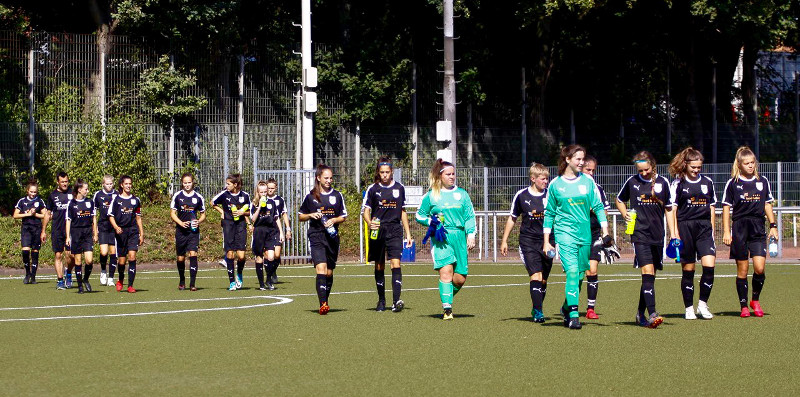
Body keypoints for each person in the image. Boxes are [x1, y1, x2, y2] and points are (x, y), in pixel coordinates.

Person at [542, 145, 609, 330]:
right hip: (564, 235)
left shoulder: (588, 182)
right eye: (578, 159)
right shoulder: (555, 184)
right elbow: (549, 214)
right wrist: (547, 241)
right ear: (567, 160)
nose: (581, 162)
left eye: (583, 159)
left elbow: (598, 207)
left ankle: (565, 307)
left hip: (584, 235)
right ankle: (573, 315)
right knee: (572, 272)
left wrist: (606, 232)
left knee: (579, 276)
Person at [616, 151, 676, 328]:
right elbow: (619, 200)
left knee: (650, 277)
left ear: (653, 166)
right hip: (639, 234)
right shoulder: (632, 182)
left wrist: (673, 233)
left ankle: (640, 314)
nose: (643, 173)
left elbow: (669, 209)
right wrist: (624, 213)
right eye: (640, 170)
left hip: (657, 235)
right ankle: (653, 313)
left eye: (646, 170)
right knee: (647, 271)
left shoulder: (663, 183)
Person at [415, 159, 476, 320]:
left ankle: (446, 294)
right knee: (446, 272)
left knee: (460, 278)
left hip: (459, 237)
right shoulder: (432, 195)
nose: (452, 177)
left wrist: (471, 234)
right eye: (448, 174)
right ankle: (447, 309)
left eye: (453, 174)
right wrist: (431, 222)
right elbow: (419, 215)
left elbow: (469, 216)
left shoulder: (462, 194)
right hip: (441, 237)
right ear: (439, 176)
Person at [721, 146, 777, 318]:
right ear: (739, 164)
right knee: (743, 270)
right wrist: (726, 232)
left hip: (758, 228)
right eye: (747, 163)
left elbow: (767, 204)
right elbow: (726, 208)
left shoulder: (763, 181)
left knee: (759, 268)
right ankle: (744, 305)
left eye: (753, 162)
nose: (751, 166)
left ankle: (755, 299)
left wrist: (773, 225)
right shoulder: (732, 183)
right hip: (739, 228)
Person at [500, 162, 555, 323]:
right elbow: (512, 219)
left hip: (548, 241)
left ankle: (536, 305)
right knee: (535, 276)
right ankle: (538, 312)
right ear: (533, 178)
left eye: (547, 179)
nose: (546, 182)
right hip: (528, 241)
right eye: (543, 179)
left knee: (543, 279)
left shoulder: (551, 195)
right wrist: (504, 241)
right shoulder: (521, 195)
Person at [668, 147, 718, 320]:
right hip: (685, 228)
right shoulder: (677, 183)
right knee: (688, 270)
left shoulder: (707, 182)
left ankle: (702, 305)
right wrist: (674, 234)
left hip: (704, 229)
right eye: (693, 167)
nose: (696, 170)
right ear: (685, 165)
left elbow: (712, 207)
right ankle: (689, 308)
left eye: (699, 167)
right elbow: (673, 210)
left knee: (709, 267)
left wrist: (711, 228)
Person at [362, 157, 413, 312]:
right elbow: (365, 211)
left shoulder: (399, 188)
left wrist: (408, 234)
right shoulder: (373, 189)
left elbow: (403, 212)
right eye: (382, 172)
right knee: (379, 265)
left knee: (395, 263)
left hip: (395, 230)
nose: (384, 175)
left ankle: (396, 301)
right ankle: (381, 300)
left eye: (387, 172)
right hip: (378, 230)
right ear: (379, 172)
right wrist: (370, 222)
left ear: (392, 172)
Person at [299, 164, 348, 315]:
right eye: (325, 178)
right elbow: (301, 216)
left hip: (332, 237)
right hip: (316, 235)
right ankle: (323, 304)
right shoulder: (311, 196)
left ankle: (325, 299)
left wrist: (334, 220)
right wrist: (310, 215)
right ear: (318, 178)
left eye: (331, 178)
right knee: (320, 269)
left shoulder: (337, 196)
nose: (328, 180)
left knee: (329, 272)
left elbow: (344, 216)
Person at [581, 155, 612, 319]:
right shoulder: (572, 187)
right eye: (588, 170)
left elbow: (604, 211)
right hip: (576, 234)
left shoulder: (597, 188)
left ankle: (590, 308)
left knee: (592, 271)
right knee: (578, 273)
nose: (591, 173)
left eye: (593, 170)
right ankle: (570, 306)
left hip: (593, 235)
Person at [212, 174, 252, 291]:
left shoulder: (245, 196)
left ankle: (239, 273)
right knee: (230, 253)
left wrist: (242, 213)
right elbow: (212, 202)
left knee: (241, 256)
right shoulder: (224, 194)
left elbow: (250, 211)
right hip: (228, 226)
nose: (226, 186)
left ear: (235, 185)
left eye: (228, 184)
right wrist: (221, 211)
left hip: (240, 226)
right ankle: (232, 282)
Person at [170, 173, 207, 291]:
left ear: (193, 183)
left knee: (193, 254)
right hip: (181, 231)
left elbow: (203, 215)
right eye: (185, 183)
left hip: (193, 232)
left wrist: (198, 221)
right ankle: (182, 280)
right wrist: (180, 223)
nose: (187, 185)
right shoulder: (177, 196)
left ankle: (192, 284)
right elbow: (172, 213)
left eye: (189, 182)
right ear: (182, 183)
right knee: (180, 258)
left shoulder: (198, 197)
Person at [108, 175, 145, 293]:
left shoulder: (136, 200)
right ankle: (120, 280)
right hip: (121, 232)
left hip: (133, 231)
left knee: (132, 257)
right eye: (126, 184)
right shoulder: (116, 199)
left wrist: (141, 233)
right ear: (121, 185)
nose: (128, 186)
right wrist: (116, 227)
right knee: (122, 261)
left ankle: (130, 285)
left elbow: (138, 218)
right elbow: (111, 216)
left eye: (130, 184)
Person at [42, 172, 73, 290]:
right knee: (58, 255)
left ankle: (68, 273)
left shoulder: (73, 193)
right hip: (57, 229)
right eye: (62, 182)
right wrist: (43, 230)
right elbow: (48, 213)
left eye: (66, 181)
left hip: (70, 230)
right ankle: (60, 281)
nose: (65, 184)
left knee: (71, 256)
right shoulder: (52, 195)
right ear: (57, 182)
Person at [250, 180, 283, 291]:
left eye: (265, 192)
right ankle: (261, 284)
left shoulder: (272, 202)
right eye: (261, 192)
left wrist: (281, 232)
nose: (264, 194)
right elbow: (253, 219)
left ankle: (269, 280)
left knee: (271, 256)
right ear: (258, 192)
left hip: (270, 231)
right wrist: (259, 207)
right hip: (259, 231)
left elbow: (276, 217)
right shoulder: (254, 204)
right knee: (259, 258)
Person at [65, 179, 97, 293]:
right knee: (77, 260)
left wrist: (95, 232)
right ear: (79, 189)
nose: (87, 191)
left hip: (87, 233)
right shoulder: (71, 203)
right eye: (85, 189)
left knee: (89, 260)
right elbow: (68, 221)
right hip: (76, 233)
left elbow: (93, 217)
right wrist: (68, 237)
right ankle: (80, 287)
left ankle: (85, 279)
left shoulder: (90, 202)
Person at [13, 180, 47, 284]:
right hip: (26, 229)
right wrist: (27, 214)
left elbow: (46, 216)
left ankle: (33, 276)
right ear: (27, 191)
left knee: (35, 252)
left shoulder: (40, 201)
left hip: (37, 228)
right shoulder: (22, 201)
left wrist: (35, 214)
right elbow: (15, 215)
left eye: (35, 192)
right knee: (25, 251)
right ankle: (27, 273)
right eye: (31, 192)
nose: (33, 194)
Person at [93, 175, 118, 287]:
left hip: (114, 227)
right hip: (103, 226)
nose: (109, 186)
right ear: (103, 184)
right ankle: (103, 271)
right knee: (104, 252)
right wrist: (95, 229)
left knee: (113, 252)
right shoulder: (98, 195)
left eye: (111, 184)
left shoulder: (117, 194)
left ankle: (111, 278)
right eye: (107, 184)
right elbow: (93, 213)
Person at [264, 178, 290, 285]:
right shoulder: (262, 199)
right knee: (268, 255)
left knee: (277, 255)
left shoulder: (280, 200)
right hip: (266, 230)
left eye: (272, 188)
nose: (270, 190)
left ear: (275, 188)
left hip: (276, 229)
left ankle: (273, 271)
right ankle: (269, 275)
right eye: (268, 188)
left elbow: (284, 214)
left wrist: (288, 229)